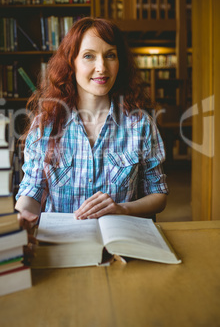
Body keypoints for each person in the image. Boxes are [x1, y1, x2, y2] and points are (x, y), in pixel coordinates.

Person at [15, 17, 168, 231]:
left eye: (110, 56)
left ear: (119, 62)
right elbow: (32, 191)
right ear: (72, 62)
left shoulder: (140, 124)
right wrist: (22, 216)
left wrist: (121, 209)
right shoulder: (46, 125)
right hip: (63, 243)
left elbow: (158, 194)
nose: (101, 67)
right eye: (89, 56)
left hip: (121, 241)